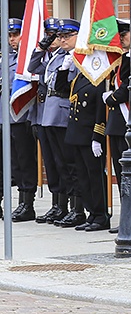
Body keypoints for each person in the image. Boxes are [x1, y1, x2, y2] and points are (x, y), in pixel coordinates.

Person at [60, 42, 109, 231]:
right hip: (76, 135)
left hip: (90, 135)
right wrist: (64, 69)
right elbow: (62, 88)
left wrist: (98, 136)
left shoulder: (98, 79)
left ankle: (101, 215)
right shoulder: (79, 79)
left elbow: (99, 110)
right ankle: (91, 213)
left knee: (95, 176)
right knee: (82, 177)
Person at [31, 18, 67, 224]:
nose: (54, 39)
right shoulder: (49, 58)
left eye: (57, 35)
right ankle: (56, 204)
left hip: (57, 114)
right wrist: (40, 47)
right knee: (51, 163)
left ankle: (65, 204)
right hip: (44, 115)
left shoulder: (66, 56)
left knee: (62, 161)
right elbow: (32, 67)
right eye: (51, 35)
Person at [102, 18, 131, 235]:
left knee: (129, 175)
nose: (121, 38)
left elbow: (127, 89)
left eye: (124, 34)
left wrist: (110, 98)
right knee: (120, 174)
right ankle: (126, 216)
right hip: (116, 124)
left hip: (126, 122)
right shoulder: (120, 60)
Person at [7, 18, 38, 222]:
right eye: (9, 35)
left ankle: (28, 203)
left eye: (16, 35)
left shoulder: (27, 59)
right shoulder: (8, 58)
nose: (12, 39)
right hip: (7, 118)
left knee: (25, 160)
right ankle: (21, 202)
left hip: (23, 116)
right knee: (15, 163)